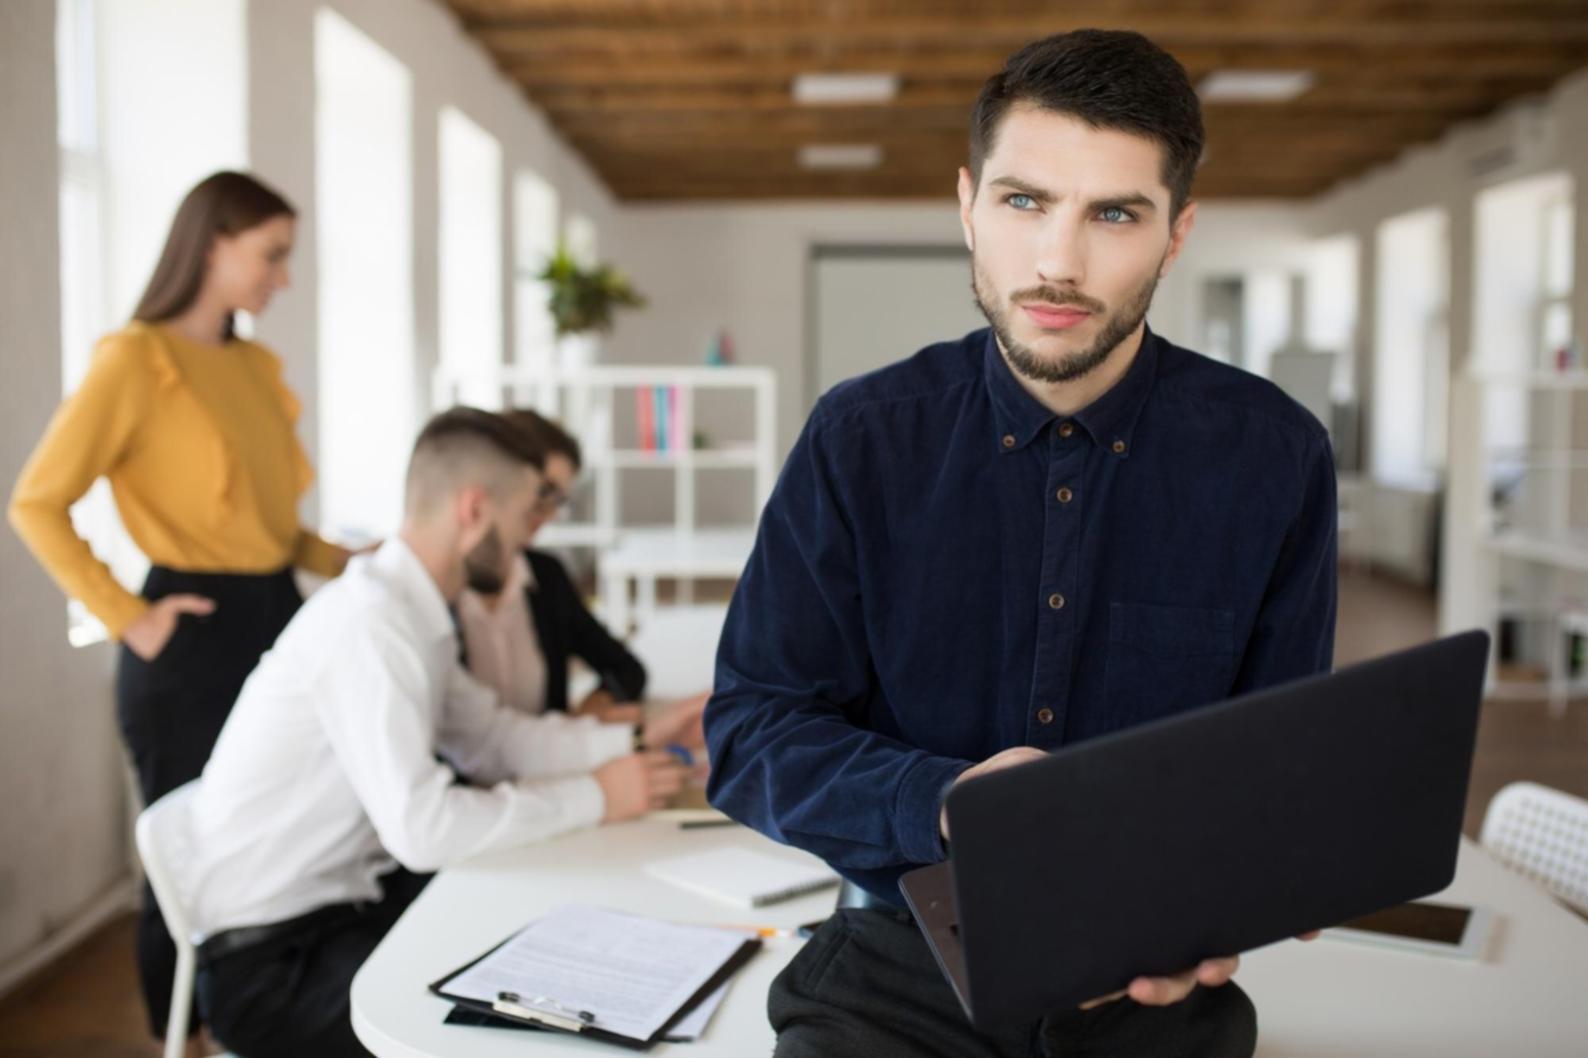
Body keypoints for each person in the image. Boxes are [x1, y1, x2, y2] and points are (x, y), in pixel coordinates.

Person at [704, 29, 1337, 1058]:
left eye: (1115, 214)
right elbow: (752, 729)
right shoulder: (860, 438)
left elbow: (1281, 764)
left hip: (1152, 977)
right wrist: (944, 801)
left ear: (1176, 232)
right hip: (893, 965)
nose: (1057, 263)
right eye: (1023, 201)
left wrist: (1257, 885)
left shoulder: (1276, 456)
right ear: (968, 205)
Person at [180, 408, 690, 1058]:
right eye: (522, 517)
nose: (526, 541)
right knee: (532, 1022)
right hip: (277, 964)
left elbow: (493, 740)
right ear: (474, 510)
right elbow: (422, 830)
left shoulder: (411, 613)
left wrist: (630, 747)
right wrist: (596, 795)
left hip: (351, 911)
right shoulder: (371, 625)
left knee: (564, 959)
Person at [7, 170, 355, 1046]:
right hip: (189, 636)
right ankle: (182, 1039)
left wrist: (350, 562)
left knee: (281, 839)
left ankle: (260, 1022)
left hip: (276, 615)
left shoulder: (251, 367)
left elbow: (267, 530)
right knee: (188, 860)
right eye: (271, 255)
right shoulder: (136, 361)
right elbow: (36, 503)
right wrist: (130, 617)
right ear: (212, 245)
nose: (283, 276)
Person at [456, 409, 709, 755]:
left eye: (558, 499)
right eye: (542, 491)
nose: (546, 512)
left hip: (551, 763)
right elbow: (471, 748)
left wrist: (596, 707)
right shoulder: (441, 595)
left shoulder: (545, 576)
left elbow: (626, 668)